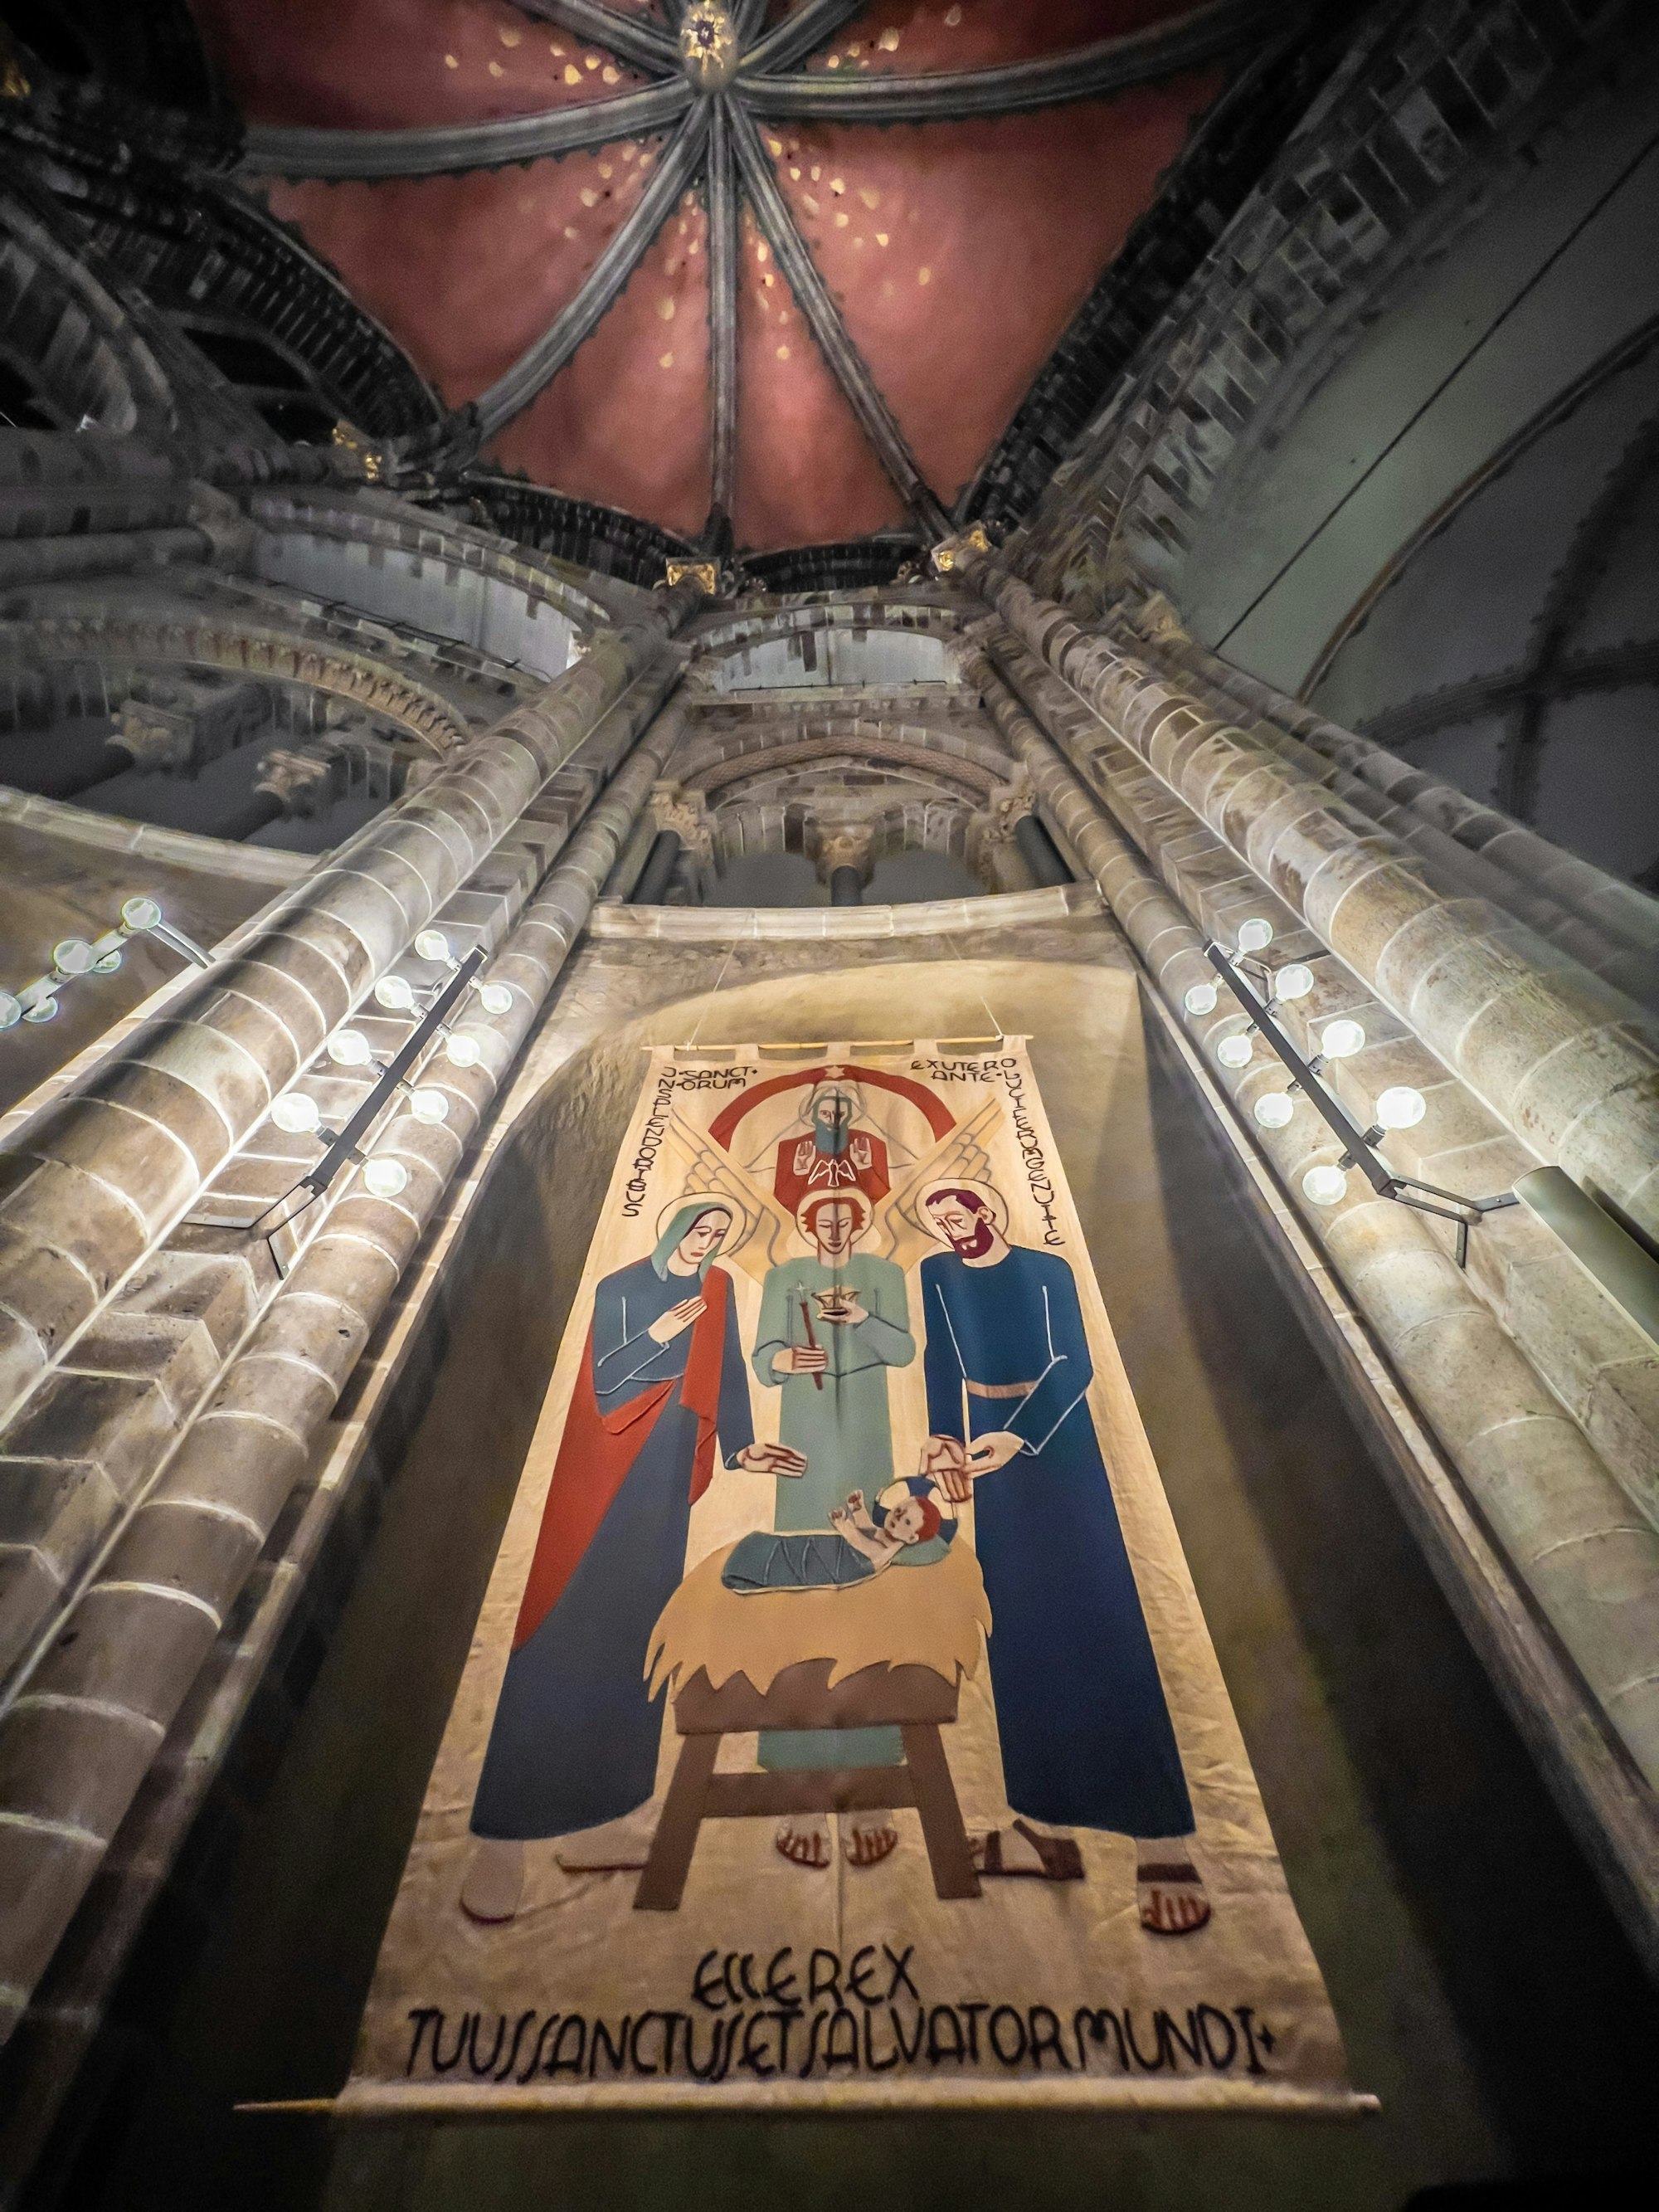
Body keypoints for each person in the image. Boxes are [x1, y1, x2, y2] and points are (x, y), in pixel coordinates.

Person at [460, 1196, 805, 1923]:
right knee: (559, 1630)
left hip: (667, 1471)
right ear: (675, 1231)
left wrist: (744, 1447)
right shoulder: (621, 1287)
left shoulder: (718, 1290)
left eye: (719, 1234)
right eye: (700, 1230)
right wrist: (655, 1334)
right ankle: (503, 1838)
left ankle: (610, 1815)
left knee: (638, 1632)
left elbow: (730, 1371)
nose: (707, 1242)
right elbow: (606, 1379)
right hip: (605, 1466)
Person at [917, 1180, 1210, 1933]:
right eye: (938, 1218)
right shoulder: (936, 1274)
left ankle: (1159, 1840)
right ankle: (1047, 1824)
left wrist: (1018, 1434)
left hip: (1055, 1443)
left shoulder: (1047, 1269)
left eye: (959, 1212)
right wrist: (942, 1438)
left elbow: (1073, 1364)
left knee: (1098, 1613)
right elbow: (940, 1361)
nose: (950, 1225)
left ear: (987, 1212)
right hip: (986, 1453)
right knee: (1019, 1626)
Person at [751, 1187, 914, 1867]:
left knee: (872, 1600)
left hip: (870, 1444)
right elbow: (764, 1357)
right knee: (804, 1600)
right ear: (807, 1223)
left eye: (850, 1216)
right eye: (825, 1218)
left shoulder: (885, 1275)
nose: (838, 1226)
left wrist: (864, 1318)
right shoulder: (785, 1279)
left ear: (864, 1221)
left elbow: (901, 1351)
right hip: (803, 1442)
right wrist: (789, 1360)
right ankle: (799, 1784)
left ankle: (872, 1780)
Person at [722, 1488, 948, 1592]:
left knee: (788, 1564)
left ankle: (745, 1570)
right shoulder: (886, 1536)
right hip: (825, 1548)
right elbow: (868, 1530)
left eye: (906, 1522)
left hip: (832, 1565)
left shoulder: (888, 1553)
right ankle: (750, 1557)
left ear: (912, 1538)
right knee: (789, 1547)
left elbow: (863, 1545)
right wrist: (857, 1508)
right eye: (899, 1510)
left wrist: (843, 1524)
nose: (896, 1518)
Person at [771, 1077, 890, 1217]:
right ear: (814, 1116)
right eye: (825, 1114)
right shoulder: (792, 1148)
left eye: (840, 1114)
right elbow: (780, 1207)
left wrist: (865, 1169)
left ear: (850, 1116)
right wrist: (800, 1173)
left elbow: (884, 1203)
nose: (833, 1121)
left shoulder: (869, 1144)